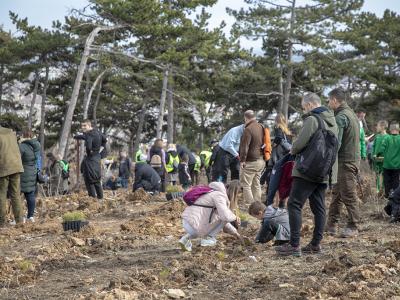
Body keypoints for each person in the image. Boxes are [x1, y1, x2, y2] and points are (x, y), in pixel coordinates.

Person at [276, 93, 338, 256]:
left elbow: (299, 145)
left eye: (304, 107)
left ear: (310, 105)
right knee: (319, 208)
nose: (305, 110)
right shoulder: (333, 122)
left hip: (308, 169)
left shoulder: (312, 120)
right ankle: (315, 244)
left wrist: (292, 148)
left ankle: (294, 245)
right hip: (324, 171)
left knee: (294, 204)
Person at [326, 88, 360, 238]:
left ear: (334, 100)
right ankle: (331, 224)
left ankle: (354, 225)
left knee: (348, 194)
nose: (328, 103)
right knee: (337, 194)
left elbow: (336, 143)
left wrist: (327, 160)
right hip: (349, 160)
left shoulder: (341, 117)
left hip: (345, 161)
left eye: (328, 100)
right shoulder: (351, 113)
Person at [179, 182, 242, 251]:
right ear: (234, 193)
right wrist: (235, 217)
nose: (238, 198)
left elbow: (223, 221)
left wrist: (235, 233)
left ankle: (185, 239)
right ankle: (209, 238)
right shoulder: (219, 196)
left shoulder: (212, 192)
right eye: (238, 196)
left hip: (187, 222)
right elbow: (225, 217)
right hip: (194, 224)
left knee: (198, 229)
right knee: (224, 216)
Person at [73, 119, 107, 200]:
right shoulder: (97, 132)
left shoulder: (89, 135)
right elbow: (105, 140)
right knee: (96, 179)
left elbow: (88, 146)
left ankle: (92, 200)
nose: (83, 127)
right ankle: (100, 199)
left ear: (89, 125)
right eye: (82, 126)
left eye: (84, 125)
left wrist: (89, 152)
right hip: (97, 157)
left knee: (89, 180)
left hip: (90, 159)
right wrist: (99, 150)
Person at [0, 126, 24, 226]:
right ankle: (19, 221)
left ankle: (1, 222)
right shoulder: (11, 133)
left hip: (4, 166)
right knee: (15, 194)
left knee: (1, 195)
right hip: (16, 165)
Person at [239, 110, 265, 203]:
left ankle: (251, 206)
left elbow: (244, 146)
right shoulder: (261, 127)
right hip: (261, 160)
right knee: (256, 184)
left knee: (246, 185)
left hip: (251, 161)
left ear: (245, 118)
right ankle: (258, 205)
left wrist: (242, 160)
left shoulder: (248, 129)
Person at [19, 129, 41, 222]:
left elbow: (17, 159)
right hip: (33, 172)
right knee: (30, 195)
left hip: (23, 172)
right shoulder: (36, 145)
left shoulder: (22, 146)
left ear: (23, 136)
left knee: (17, 196)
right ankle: (30, 216)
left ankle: (20, 217)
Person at [381, 123, 400, 198]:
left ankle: (387, 194)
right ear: (398, 130)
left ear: (390, 130)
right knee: (395, 180)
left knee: (387, 180)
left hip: (387, 164)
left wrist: (379, 154)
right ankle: (395, 195)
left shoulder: (387, 138)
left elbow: (381, 149)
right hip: (397, 164)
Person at [372, 120, 389, 194]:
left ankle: (384, 191)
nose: (376, 127)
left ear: (382, 127)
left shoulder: (388, 137)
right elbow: (373, 147)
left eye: (378, 126)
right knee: (377, 175)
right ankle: (378, 191)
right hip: (376, 161)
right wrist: (373, 155)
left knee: (383, 175)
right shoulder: (377, 137)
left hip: (384, 161)